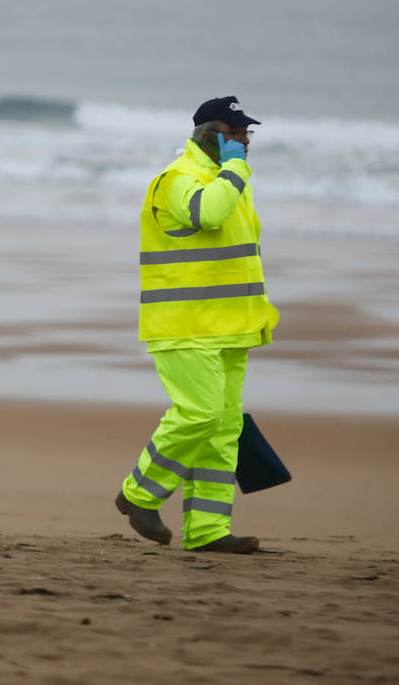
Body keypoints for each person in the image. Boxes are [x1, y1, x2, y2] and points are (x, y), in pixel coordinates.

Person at [115, 96, 279, 553]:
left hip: (231, 326)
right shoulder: (179, 179)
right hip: (184, 325)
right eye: (236, 132)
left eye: (248, 133)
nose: (245, 141)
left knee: (223, 430)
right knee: (199, 414)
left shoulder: (227, 182)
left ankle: (208, 531)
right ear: (208, 134)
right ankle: (138, 495)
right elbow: (206, 213)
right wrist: (236, 170)